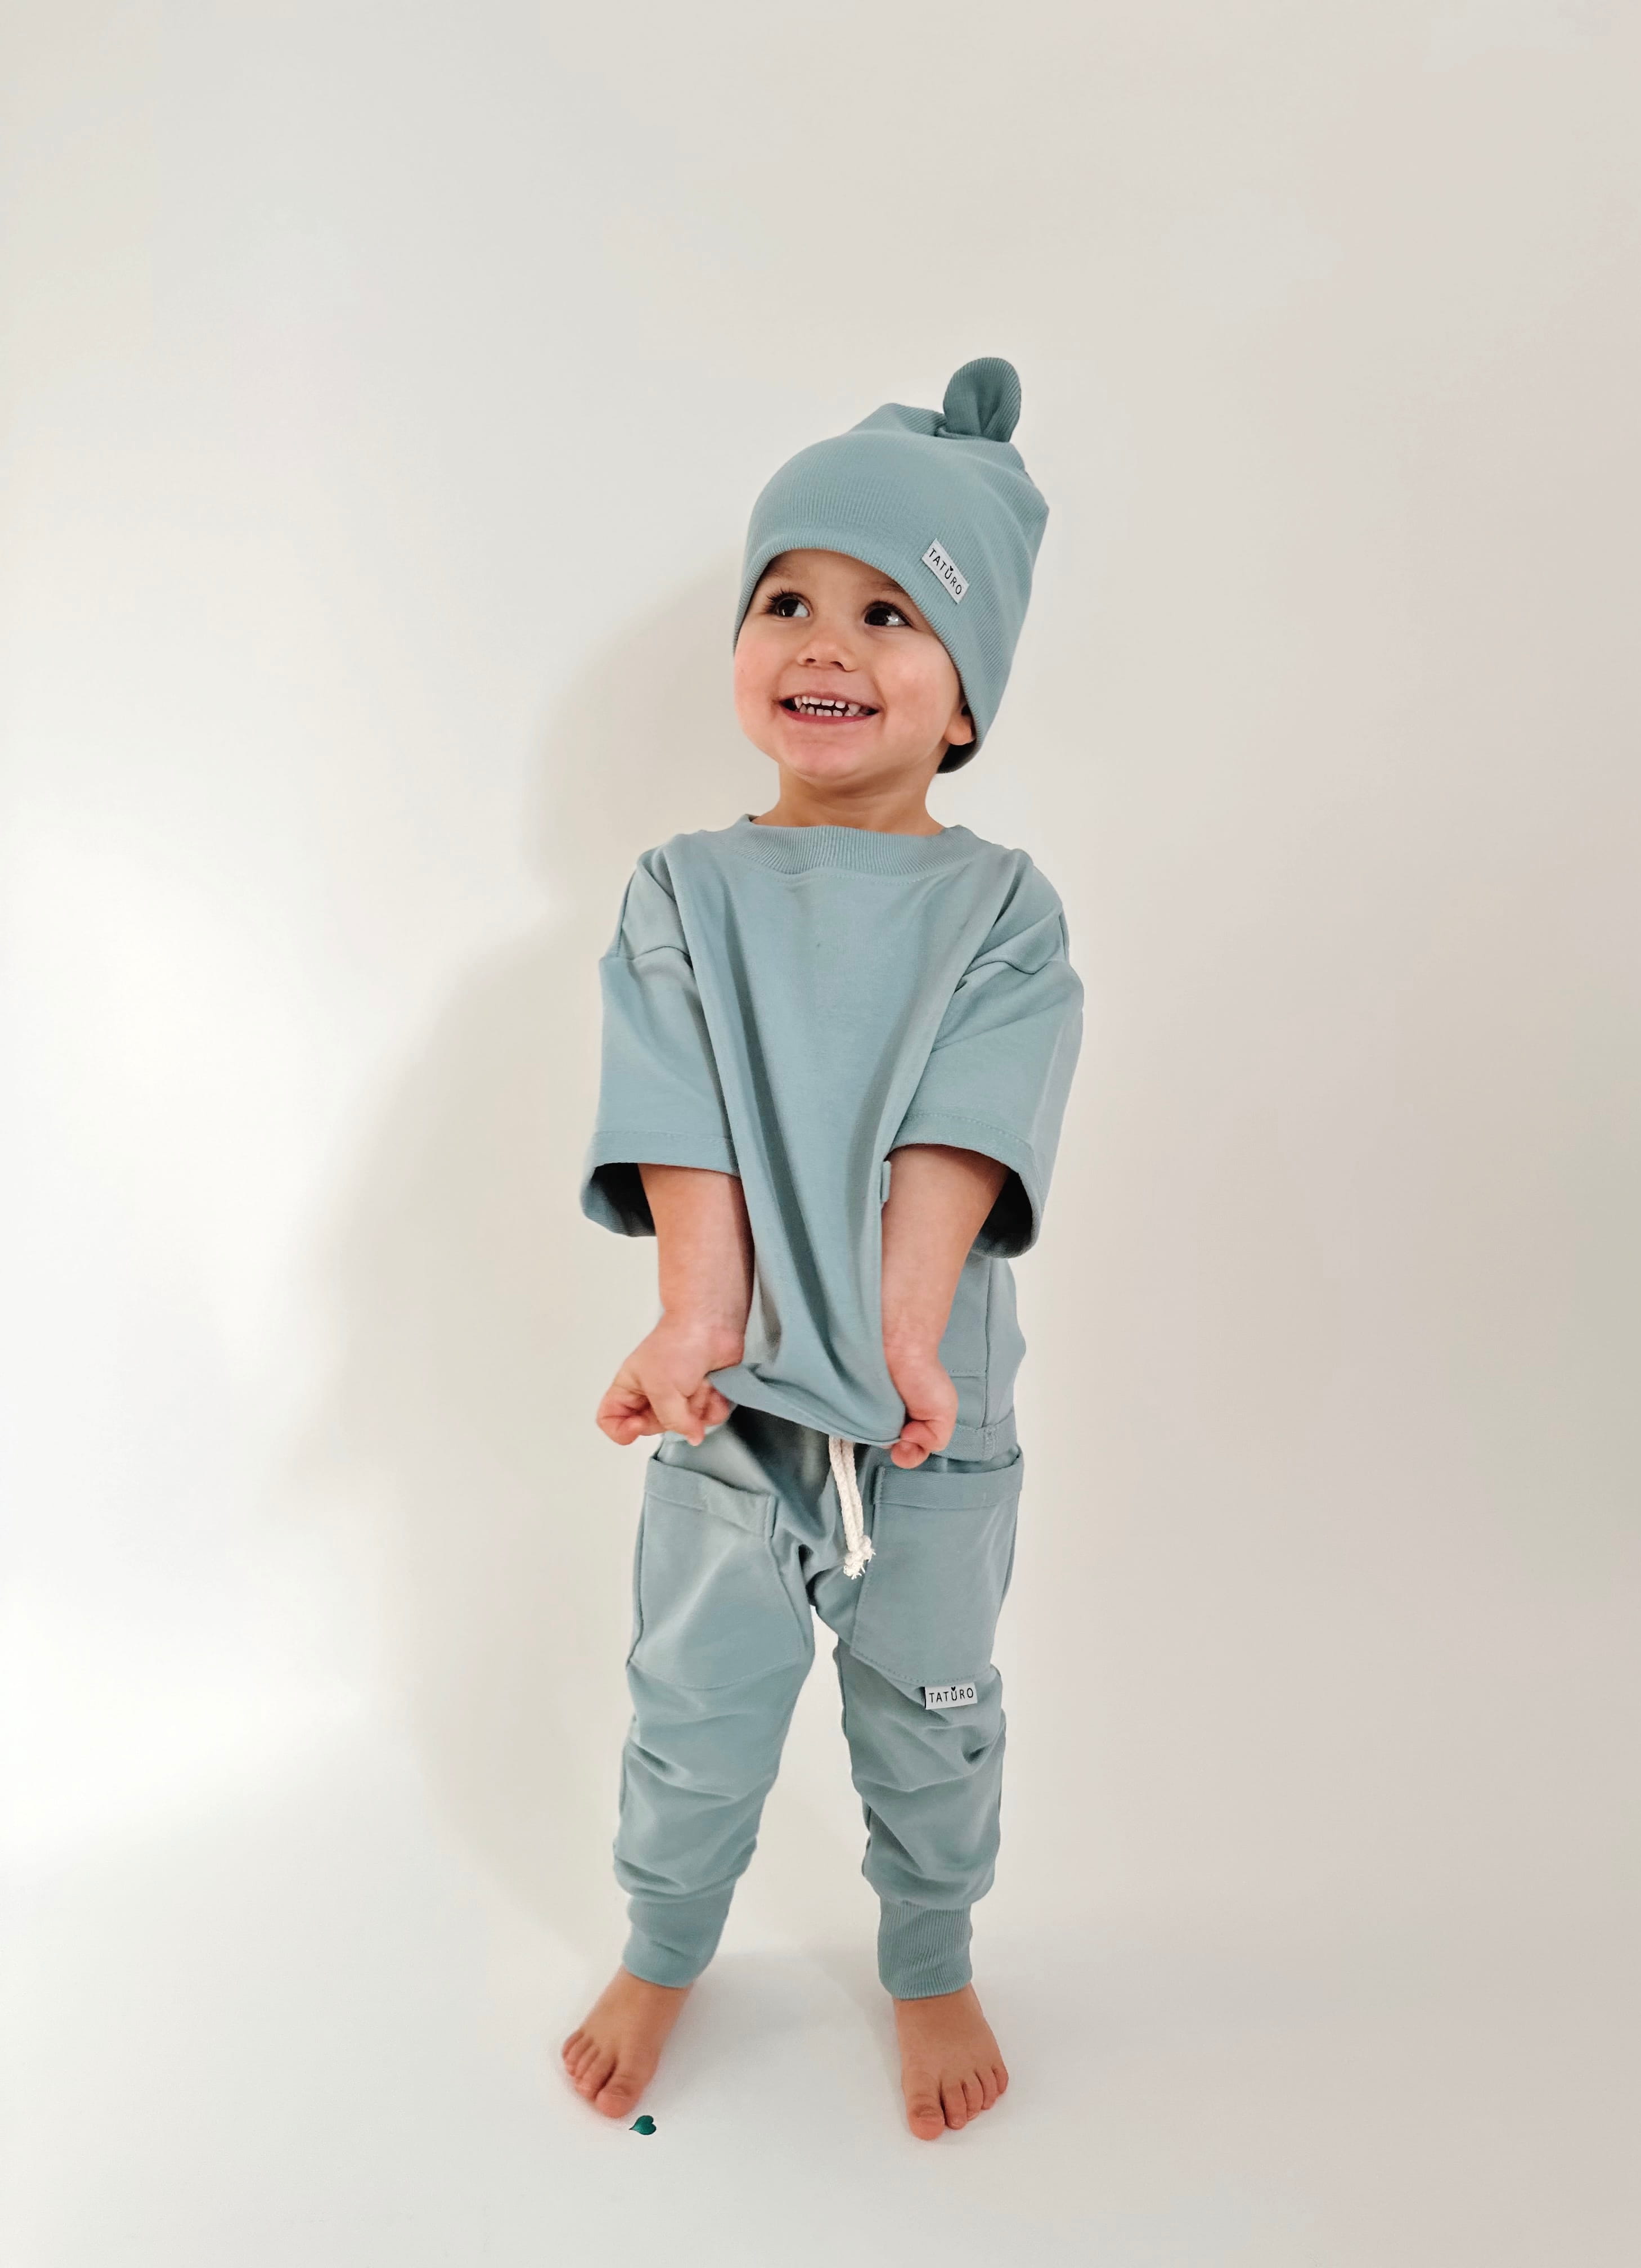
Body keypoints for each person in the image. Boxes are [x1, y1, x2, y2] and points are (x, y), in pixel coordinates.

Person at [560, 358, 1084, 2140]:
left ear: (966, 700)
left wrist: (906, 1338)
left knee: (934, 1705)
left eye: (887, 612)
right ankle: (664, 1943)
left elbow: (961, 1132)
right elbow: (680, 1112)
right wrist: (692, 1318)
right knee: (692, 1698)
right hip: (730, 1406)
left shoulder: (1000, 910)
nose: (824, 642)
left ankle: (928, 1958)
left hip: (932, 1416)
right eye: (786, 599)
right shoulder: (681, 890)